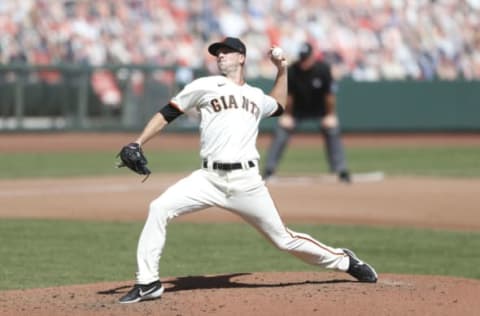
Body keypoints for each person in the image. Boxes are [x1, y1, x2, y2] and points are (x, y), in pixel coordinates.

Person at [118, 37, 377, 304]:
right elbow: (167, 113)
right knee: (159, 208)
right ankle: (148, 282)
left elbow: (278, 105)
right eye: (217, 53)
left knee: (284, 240)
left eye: (226, 51)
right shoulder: (204, 85)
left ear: (241, 58)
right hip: (208, 178)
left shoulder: (254, 95)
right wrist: (138, 142)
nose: (220, 56)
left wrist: (282, 70)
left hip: (246, 182)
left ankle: (344, 260)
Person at [263, 42, 351, 183]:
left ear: (312, 57)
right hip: (297, 110)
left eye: (306, 58)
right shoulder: (292, 70)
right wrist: (288, 115)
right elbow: (289, 96)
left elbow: (329, 96)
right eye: (302, 58)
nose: (304, 62)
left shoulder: (323, 69)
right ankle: (269, 169)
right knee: (282, 130)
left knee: (332, 129)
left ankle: (341, 170)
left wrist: (330, 115)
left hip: (320, 110)